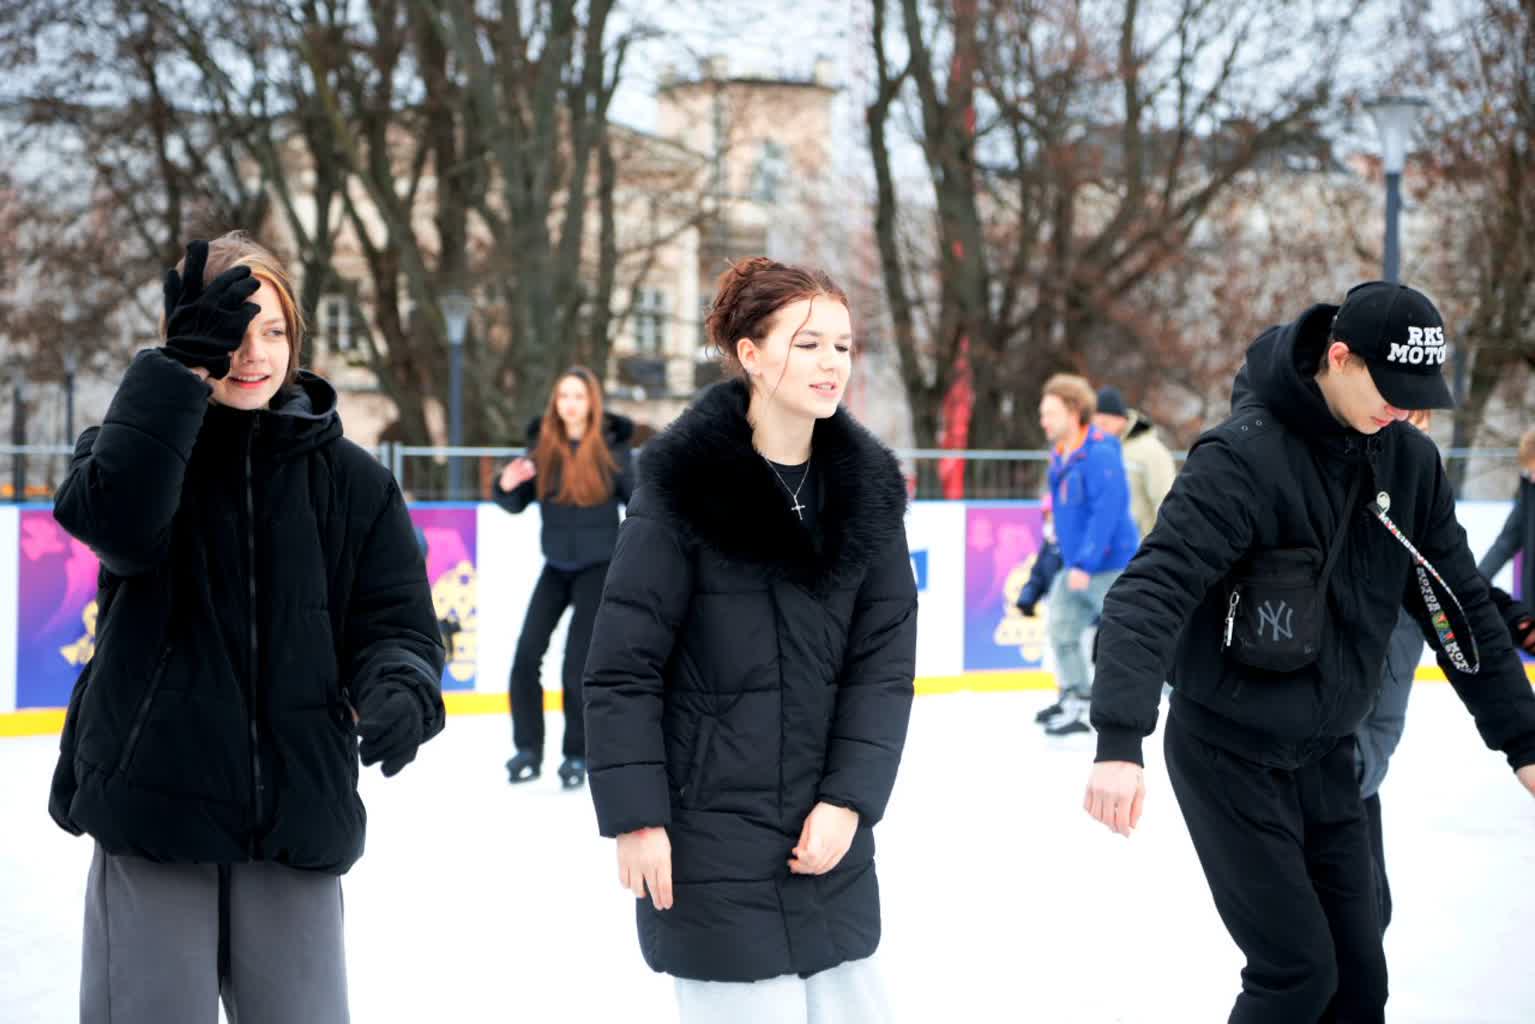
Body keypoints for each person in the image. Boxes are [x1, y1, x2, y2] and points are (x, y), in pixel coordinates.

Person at [1086, 281, 1535, 1023]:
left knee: (1359, 980)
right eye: (1389, 387)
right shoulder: (1242, 459)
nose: (1400, 407)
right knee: (1296, 972)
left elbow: (1458, 605)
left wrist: (1522, 738)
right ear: (1338, 358)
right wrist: (1117, 738)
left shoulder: (1408, 464)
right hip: (1229, 754)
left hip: (1330, 755)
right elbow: (1150, 591)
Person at [48, 233, 446, 1023]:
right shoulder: (134, 455)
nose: (252, 353)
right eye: (228, 331)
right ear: (190, 335)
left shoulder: (353, 481)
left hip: (296, 810)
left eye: (272, 329)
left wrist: (401, 683)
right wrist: (174, 378)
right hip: (154, 806)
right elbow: (116, 526)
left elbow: (395, 621)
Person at [581, 257, 917, 1023]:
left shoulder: (867, 495)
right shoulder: (679, 491)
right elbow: (622, 670)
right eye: (807, 344)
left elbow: (883, 667)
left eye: (841, 344)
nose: (831, 363)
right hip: (709, 843)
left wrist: (848, 800)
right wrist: (637, 817)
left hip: (825, 844)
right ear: (751, 355)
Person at [493, 366, 635, 789]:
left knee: (576, 667)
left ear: (592, 402)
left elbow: (640, 501)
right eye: (563, 396)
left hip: (598, 568)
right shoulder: (542, 447)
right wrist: (505, 484)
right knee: (524, 658)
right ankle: (528, 750)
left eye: (578, 396)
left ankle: (576, 754)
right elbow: (514, 501)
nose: (570, 404)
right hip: (556, 566)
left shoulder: (613, 450)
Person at [1036, 374, 1139, 737]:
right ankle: (1078, 701)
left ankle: (1178, 693)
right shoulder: (1060, 457)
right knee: (1061, 629)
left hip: (1110, 566)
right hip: (1077, 564)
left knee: (1134, 638)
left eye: (1050, 413)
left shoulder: (1100, 452)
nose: (1043, 421)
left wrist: (1085, 563)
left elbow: (1108, 512)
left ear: (1074, 411)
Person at [1093, 386, 1177, 540]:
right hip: (1110, 546)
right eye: (1095, 425)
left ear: (1121, 419)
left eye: (1104, 424)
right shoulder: (1098, 451)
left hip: (1143, 547)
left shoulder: (1151, 451)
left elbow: (1166, 500)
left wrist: (1161, 545)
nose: (1099, 430)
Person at [1476, 425, 1535, 598]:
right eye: (1530, 471)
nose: (1532, 477)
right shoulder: (1530, 495)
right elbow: (1505, 542)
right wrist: (1475, 585)